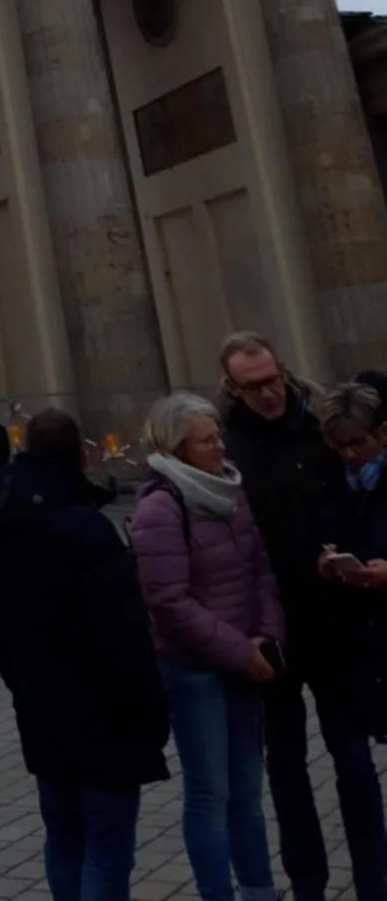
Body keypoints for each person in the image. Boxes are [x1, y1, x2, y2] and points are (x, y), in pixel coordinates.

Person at [0, 408, 168, 901]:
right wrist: (151, 712)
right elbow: (126, 633)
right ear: (79, 454)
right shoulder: (85, 528)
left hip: (42, 712)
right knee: (105, 850)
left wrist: (23, 681)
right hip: (105, 718)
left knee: (64, 839)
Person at [220, 331, 382, 901]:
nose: (269, 394)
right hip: (271, 628)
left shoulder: (318, 422)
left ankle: (374, 884)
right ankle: (308, 886)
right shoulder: (226, 445)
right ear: (232, 388)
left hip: (336, 620)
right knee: (286, 768)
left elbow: (360, 489)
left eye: (273, 379)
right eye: (254, 387)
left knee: (354, 760)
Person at [128, 392, 283, 901]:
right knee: (209, 795)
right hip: (196, 671)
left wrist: (267, 635)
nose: (220, 446)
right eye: (207, 439)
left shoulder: (230, 491)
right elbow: (168, 601)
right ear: (178, 448)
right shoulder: (160, 505)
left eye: (219, 436)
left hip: (246, 660)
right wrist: (240, 650)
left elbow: (260, 567)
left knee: (247, 792)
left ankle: (259, 890)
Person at [312, 382, 387, 896]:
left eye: (357, 443)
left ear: (382, 433)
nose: (348, 454)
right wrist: (326, 562)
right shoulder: (329, 480)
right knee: (355, 778)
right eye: (339, 445)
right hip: (349, 644)